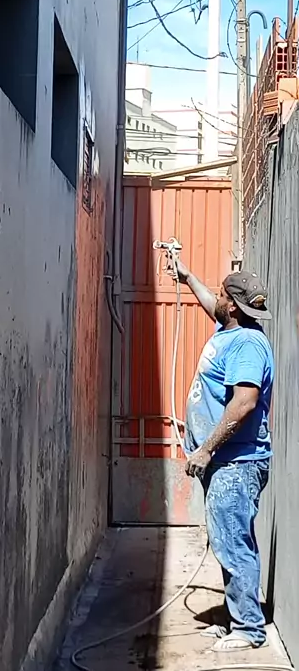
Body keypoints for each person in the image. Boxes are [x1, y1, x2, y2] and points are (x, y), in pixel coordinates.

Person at [177, 262, 274, 653]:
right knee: (227, 541)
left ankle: (249, 628)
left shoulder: (247, 344)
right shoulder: (231, 327)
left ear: (233, 304)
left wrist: (206, 449)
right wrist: (187, 277)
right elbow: (210, 305)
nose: (216, 298)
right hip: (226, 462)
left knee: (233, 545)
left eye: (222, 293)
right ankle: (237, 617)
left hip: (236, 464)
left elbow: (244, 402)